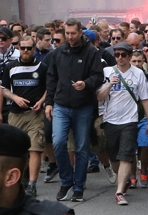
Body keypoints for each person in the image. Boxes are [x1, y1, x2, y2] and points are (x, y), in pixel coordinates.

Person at [45, 19, 104, 203]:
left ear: (80, 32)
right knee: (58, 142)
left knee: (81, 147)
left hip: (83, 106)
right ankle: (66, 181)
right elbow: (51, 78)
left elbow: (98, 76)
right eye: (67, 33)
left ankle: (78, 187)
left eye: (73, 33)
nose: (70, 37)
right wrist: (49, 102)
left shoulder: (91, 52)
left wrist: (85, 83)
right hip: (61, 104)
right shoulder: (59, 53)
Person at [97, 43, 148, 205]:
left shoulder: (138, 74)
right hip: (110, 120)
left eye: (123, 55)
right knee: (114, 156)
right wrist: (109, 84)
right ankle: (124, 178)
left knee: (126, 154)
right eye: (117, 55)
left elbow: (145, 99)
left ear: (129, 56)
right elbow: (99, 97)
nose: (120, 58)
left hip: (130, 120)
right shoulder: (107, 72)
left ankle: (119, 191)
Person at [1, 36, 47, 197]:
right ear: (19, 49)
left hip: (35, 114)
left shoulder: (42, 67)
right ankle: (18, 180)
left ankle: (32, 184)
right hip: (15, 114)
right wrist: (15, 98)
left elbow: (49, 88)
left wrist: (41, 102)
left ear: (34, 49)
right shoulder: (11, 67)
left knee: (35, 149)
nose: (25, 51)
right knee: (16, 150)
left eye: (28, 48)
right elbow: (4, 89)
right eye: (23, 48)